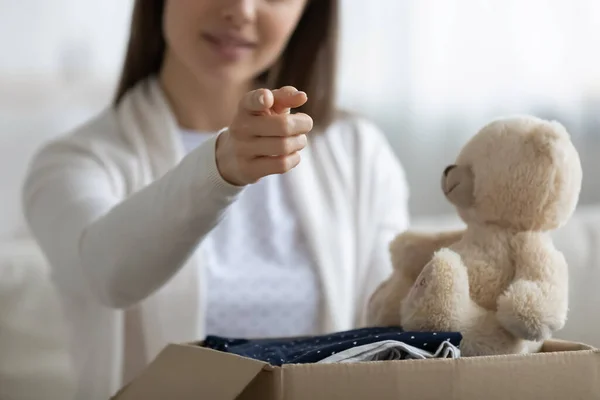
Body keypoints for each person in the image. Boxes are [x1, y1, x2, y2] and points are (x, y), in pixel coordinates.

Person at [22, 0, 410, 398]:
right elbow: (106, 275)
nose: (241, 10)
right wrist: (219, 169)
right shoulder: (75, 161)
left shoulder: (359, 152)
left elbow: (389, 327)